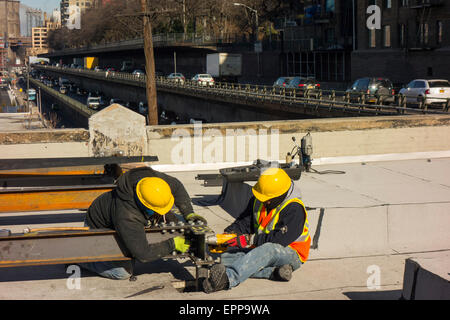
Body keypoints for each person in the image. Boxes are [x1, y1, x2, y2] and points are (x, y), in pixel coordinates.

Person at [80, 166, 207, 280]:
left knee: (174, 218)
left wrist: (189, 213)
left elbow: (177, 186)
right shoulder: (127, 215)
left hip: (119, 214)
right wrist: (172, 244)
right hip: (99, 227)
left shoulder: (153, 181)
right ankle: (83, 261)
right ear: (144, 204)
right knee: (123, 272)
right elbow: (143, 254)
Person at [202, 167, 310, 293]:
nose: (264, 201)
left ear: (278, 195)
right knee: (225, 257)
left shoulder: (294, 208)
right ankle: (274, 273)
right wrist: (230, 234)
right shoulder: (261, 199)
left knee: (269, 249)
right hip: (262, 248)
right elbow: (244, 222)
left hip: (292, 253)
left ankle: (227, 279)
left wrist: (250, 239)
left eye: (267, 199)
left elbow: (280, 240)